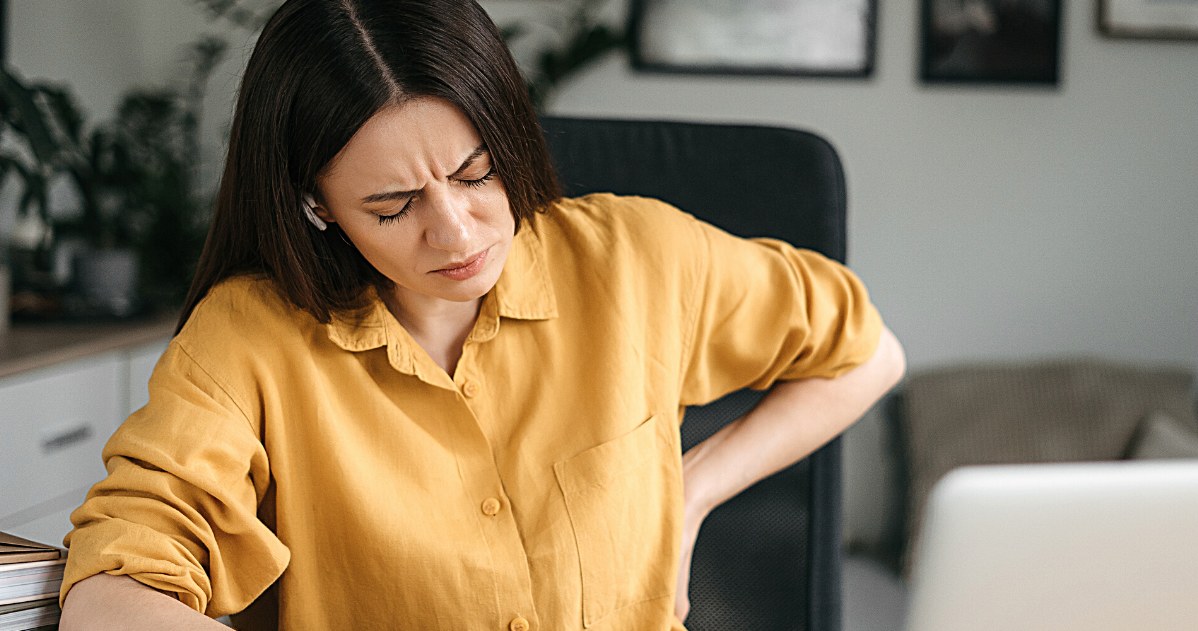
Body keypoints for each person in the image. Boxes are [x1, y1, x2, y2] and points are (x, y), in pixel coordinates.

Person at [58, 0, 905, 629]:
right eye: (392, 205)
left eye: (476, 172)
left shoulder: (637, 257)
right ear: (317, 206)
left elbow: (867, 353)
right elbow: (114, 580)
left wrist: (692, 494)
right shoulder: (249, 337)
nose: (456, 231)